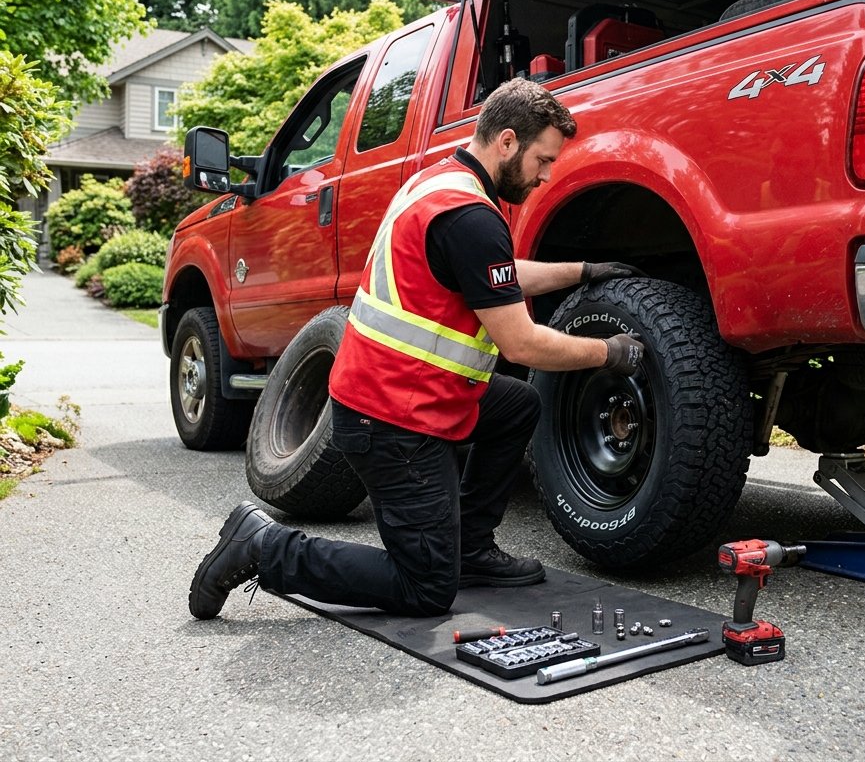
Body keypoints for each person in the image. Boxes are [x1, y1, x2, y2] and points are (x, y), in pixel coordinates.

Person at [189, 78, 645, 620]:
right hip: (394, 418)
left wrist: (581, 271)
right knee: (425, 588)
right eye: (543, 160)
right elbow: (520, 342)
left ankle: (468, 550)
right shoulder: (473, 217)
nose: (546, 175)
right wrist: (610, 353)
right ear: (506, 142)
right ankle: (264, 547)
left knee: (518, 406)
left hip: (399, 389)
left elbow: (489, 275)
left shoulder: (442, 183)